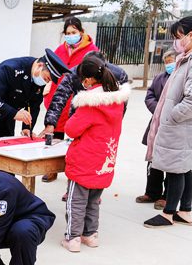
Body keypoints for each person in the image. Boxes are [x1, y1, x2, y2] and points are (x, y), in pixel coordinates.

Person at [144, 17, 192, 228]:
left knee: (176, 169)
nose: (175, 43)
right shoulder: (189, 57)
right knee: (184, 168)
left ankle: (168, 214)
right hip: (182, 126)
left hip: (182, 126)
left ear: (191, 36)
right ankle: (185, 211)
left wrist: (172, 117)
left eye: (178, 37)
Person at [61, 55, 131, 252]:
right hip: (104, 161)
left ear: (89, 79)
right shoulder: (117, 101)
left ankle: (72, 238)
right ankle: (91, 235)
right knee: (93, 202)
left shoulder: (90, 103)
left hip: (84, 160)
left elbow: (71, 130)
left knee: (76, 202)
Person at [39, 51, 129, 201]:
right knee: (81, 153)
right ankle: (75, 190)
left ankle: (91, 191)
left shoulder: (118, 74)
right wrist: (51, 123)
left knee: (98, 156)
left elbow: (122, 104)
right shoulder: (74, 73)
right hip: (81, 116)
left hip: (104, 121)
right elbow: (60, 96)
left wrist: (112, 125)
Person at [41, 17, 100, 182]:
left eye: (74, 32)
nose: (70, 36)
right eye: (67, 33)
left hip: (77, 98)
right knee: (54, 135)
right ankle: (52, 169)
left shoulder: (92, 51)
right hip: (59, 96)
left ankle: (72, 172)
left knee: (75, 138)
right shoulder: (60, 49)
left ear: (81, 32)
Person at [0, 49, 70, 139]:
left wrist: (27, 128)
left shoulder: (38, 77)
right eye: (46, 78)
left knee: (4, 147)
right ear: (40, 65)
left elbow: (34, 104)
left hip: (7, 118)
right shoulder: (10, 68)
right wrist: (15, 113)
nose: (45, 82)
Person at [136, 49, 177, 210]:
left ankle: (166, 196)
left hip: (173, 124)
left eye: (171, 60)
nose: (169, 64)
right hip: (156, 123)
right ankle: (152, 192)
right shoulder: (160, 78)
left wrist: (169, 113)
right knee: (152, 161)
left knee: (169, 163)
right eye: (166, 62)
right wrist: (158, 110)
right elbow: (150, 96)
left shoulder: (182, 78)